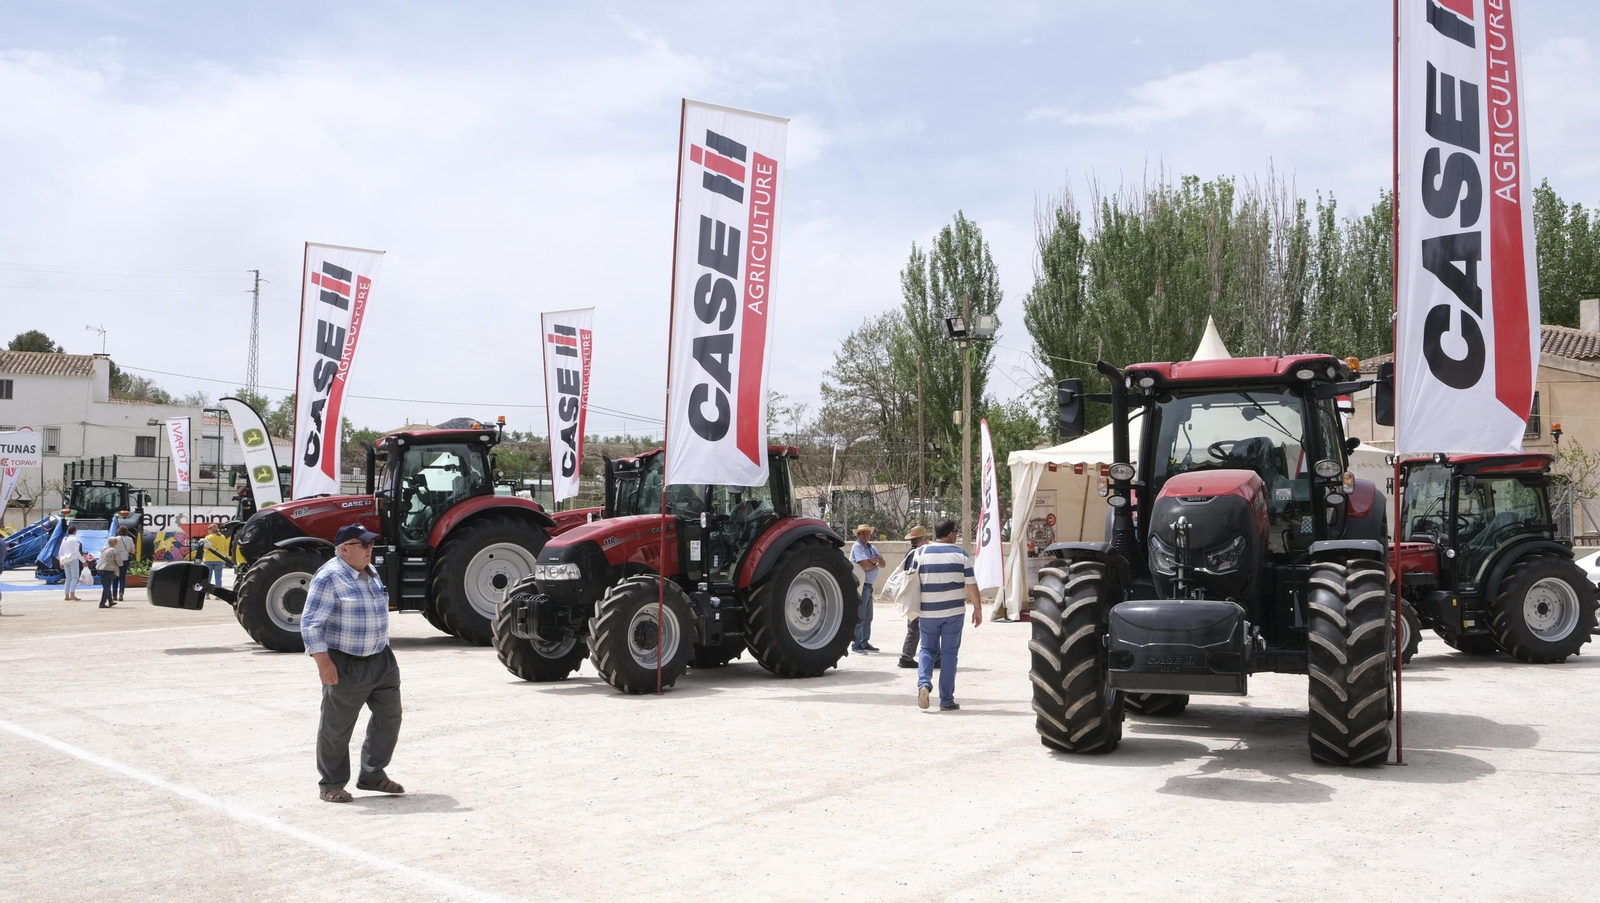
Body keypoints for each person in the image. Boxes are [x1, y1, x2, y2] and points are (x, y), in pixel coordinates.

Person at [301, 523, 405, 804]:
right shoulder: (329, 577)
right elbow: (311, 623)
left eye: (371, 544)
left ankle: (372, 775)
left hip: (381, 659)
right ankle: (331, 784)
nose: (370, 549)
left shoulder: (371, 572)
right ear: (345, 549)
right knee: (336, 727)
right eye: (364, 545)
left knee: (390, 718)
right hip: (346, 662)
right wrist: (323, 662)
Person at [912, 518, 982, 711]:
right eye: (956, 532)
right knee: (949, 655)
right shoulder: (960, 554)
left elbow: (911, 580)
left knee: (927, 650)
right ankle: (946, 700)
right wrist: (977, 608)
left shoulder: (921, 552)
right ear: (951, 534)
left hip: (928, 612)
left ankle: (924, 684)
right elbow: (971, 584)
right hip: (954, 613)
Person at [897, 526, 933, 668]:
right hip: (916, 595)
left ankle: (909, 656)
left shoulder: (912, 552)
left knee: (917, 627)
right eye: (926, 539)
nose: (928, 541)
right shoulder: (916, 554)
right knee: (915, 627)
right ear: (921, 540)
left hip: (914, 594)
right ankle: (906, 657)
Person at [849, 524, 886, 654]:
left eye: (867, 533)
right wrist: (875, 562)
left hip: (869, 587)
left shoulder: (871, 547)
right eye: (863, 533)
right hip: (861, 586)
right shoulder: (857, 547)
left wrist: (873, 561)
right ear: (858, 535)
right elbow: (865, 566)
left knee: (868, 617)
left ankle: (864, 642)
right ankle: (856, 645)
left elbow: (883, 563)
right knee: (860, 616)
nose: (866, 535)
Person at [95, 534, 124, 608]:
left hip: (100, 568)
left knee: (105, 586)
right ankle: (102, 603)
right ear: (115, 543)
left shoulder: (104, 549)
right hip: (109, 569)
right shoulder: (114, 550)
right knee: (107, 586)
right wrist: (122, 564)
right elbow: (119, 561)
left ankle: (110, 601)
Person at [58, 526, 85, 601]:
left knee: (68, 578)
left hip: (65, 559)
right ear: (74, 531)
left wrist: (60, 561)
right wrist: (83, 561)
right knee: (75, 577)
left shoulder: (65, 539)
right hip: (73, 558)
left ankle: (66, 595)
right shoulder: (75, 539)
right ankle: (72, 594)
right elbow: (76, 552)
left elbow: (60, 551)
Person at [113, 526, 135, 601]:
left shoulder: (115, 539)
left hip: (116, 560)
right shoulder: (129, 539)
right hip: (125, 559)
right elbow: (133, 550)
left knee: (115, 577)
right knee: (122, 577)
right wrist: (127, 550)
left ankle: (114, 595)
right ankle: (121, 593)